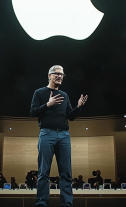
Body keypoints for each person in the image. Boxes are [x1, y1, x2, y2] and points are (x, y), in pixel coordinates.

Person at [30, 65, 88, 207]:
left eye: (62, 74)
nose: (60, 76)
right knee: (43, 172)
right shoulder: (39, 92)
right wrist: (48, 105)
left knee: (66, 173)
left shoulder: (64, 95)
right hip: (46, 134)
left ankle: (67, 204)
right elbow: (32, 112)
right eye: (57, 74)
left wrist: (78, 107)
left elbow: (70, 117)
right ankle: (42, 203)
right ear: (49, 75)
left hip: (64, 135)